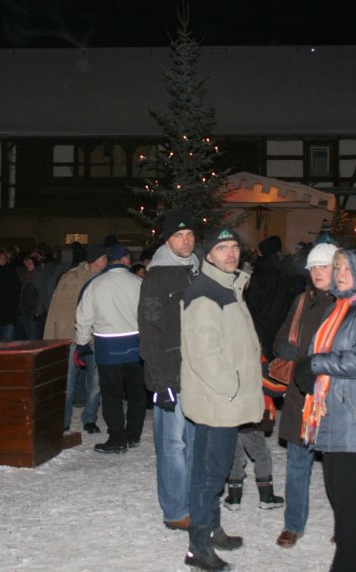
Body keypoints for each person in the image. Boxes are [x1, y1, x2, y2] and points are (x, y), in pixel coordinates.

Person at [294, 248, 356, 572]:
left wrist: (315, 364)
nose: (339, 275)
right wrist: (308, 364)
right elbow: (319, 348)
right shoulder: (340, 307)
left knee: (349, 509)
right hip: (333, 414)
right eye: (336, 268)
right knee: (345, 500)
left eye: (346, 269)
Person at [180, 227, 263, 571]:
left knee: (215, 469)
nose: (231, 253)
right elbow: (204, 354)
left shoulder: (227, 287)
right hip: (218, 400)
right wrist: (233, 387)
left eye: (234, 247)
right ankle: (198, 548)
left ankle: (212, 530)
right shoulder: (205, 293)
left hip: (224, 400)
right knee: (209, 474)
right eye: (222, 248)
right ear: (209, 255)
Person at [273, 241, 338, 548]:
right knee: (298, 463)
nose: (318, 272)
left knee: (339, 468)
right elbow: (281, 336)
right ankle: (293, 524)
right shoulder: (302, 301)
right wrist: (283, 348)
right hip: (301, 394)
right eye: (313, 268)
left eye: (324, 266)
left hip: (334, 394)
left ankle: (347, 524)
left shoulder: (347, 303)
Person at [138, 210, 199, 531]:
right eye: (178, 235)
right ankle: (176, 511)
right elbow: (149, 331)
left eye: (189, 235)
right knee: (173, 445)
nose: (186, 241)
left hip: (200, 373)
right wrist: (161, 382)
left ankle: (193, 501)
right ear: (167, 240)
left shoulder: (198, 271)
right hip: (172, 374)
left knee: (196, 442)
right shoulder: (157, 278)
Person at [75, 244, 145, 454]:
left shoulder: (95, 284)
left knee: (111, 395)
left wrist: (82, 343)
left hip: (108, 347)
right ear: (125, 259)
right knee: (136, 394)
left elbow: (83, 317)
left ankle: (117, 437)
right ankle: (133, 435)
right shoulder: (139, 282)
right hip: (136, 346)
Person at [46, 243, 107, 434]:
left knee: (95, 383)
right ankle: (63, 419)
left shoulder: (106, 279)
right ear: (96, 259)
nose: (107, 261)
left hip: (97, 337)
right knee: (68, 381)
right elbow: (57, 309)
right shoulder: (71, 278)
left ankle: (90, 418)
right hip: (72, 336)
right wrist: (53, 337)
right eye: (104, 258)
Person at [245, 235, 299, 360]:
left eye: (259, 252)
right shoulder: (286, 270)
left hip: (261, 325)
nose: (257, 254)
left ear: (265, 252)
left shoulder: (260, 272)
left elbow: (252, 301)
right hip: (280, 323)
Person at [0, 247, 21, 341]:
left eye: (4, 258)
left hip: (9, 309)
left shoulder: (11, 270)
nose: (2, 260)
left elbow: (16, 288)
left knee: (8, 338)